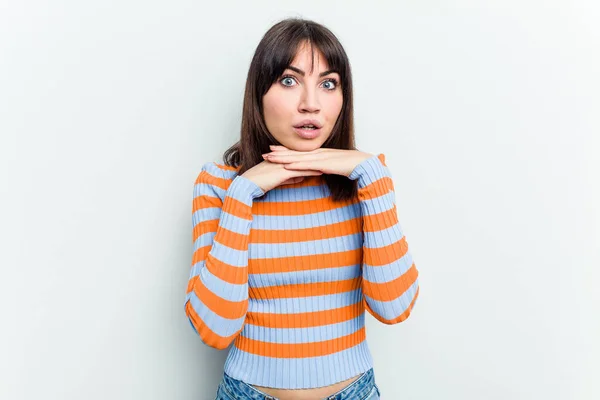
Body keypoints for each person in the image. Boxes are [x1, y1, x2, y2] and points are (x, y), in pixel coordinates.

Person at [184, 17, 420, 400]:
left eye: (328, 84)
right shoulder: (219, 184)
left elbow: (394, 306)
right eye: (289, 81)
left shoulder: (366, 180)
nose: (310, 104)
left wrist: (372, 177)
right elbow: (214, 328)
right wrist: (242, 195)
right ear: (259, 92)